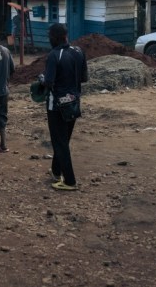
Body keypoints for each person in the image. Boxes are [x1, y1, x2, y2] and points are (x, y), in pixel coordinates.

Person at [43, 23, 88, 191]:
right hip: (74, 102)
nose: (49, 39)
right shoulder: (78, 52)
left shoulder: (54, 55)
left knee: (59, 142)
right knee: (63, 140)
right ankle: (56, 171)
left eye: (50, 37)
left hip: (57, 106)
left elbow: (48, 82)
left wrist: (42, 79)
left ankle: (69, 180)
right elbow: (84, 78)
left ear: (55, 38)